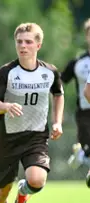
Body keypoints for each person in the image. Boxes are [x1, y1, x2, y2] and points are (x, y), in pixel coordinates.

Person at [0, 23, 64, 203]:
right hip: (8, 138)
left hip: (36, 137)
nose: (23, 46)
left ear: (38, 45)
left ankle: (24, 192)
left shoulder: (49, 72)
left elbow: (58, 94)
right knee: (1, 191)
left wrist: (57, 121)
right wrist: (5, 106)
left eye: (28, 41)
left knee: (37, 179)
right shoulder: (7, 72)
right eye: (19, 41)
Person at [62, 19, 90, 186]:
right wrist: (58, 113)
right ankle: (83, 155)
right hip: (85, 113)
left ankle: (82, 156)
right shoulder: (78, 63)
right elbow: (58, 84)